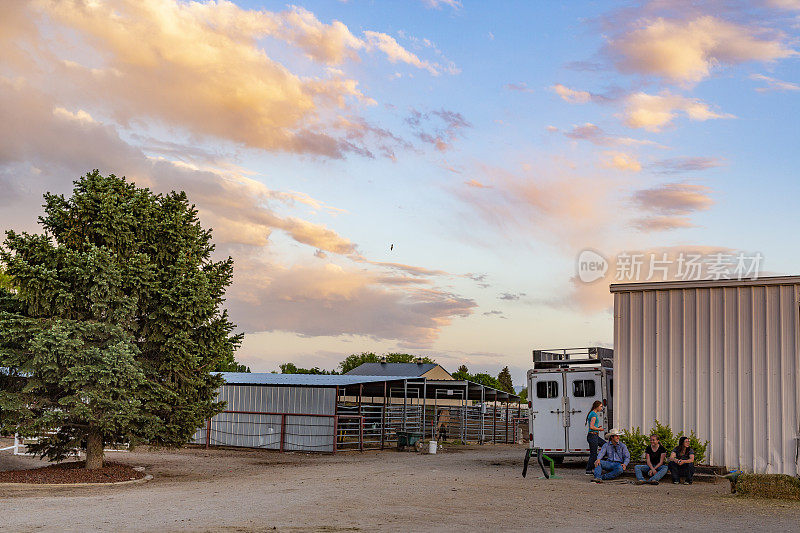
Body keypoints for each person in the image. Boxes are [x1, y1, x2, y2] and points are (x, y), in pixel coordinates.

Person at [585, 400, 605, 475]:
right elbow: (591, 427)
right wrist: (599, 429)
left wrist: (597, 427)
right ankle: (588, 470)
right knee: (593, 453)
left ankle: (600, 463)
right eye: (600, 406)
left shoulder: (593, 413)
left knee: (605, 445)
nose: (601, 408)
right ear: (596, 407)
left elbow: (593, 426)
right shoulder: (594, 414)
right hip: (592, 436)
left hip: (594, 435)